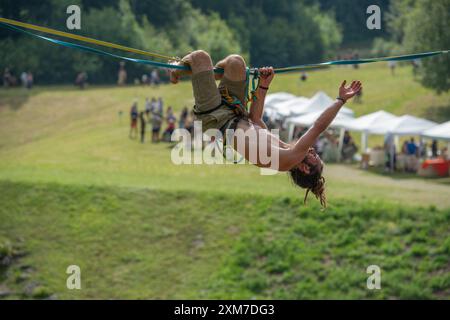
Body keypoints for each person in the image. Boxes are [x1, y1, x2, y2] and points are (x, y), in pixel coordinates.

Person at [169, 51, 362, 207]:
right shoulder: (283, 151)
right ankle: (210, 73)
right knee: (236, 62)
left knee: (200, 57)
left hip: (216, 118)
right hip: (235, 111)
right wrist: (263, 85)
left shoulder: (290, 159)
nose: (312, 150)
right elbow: (256, 119)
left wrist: (340, 100)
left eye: (314, 157)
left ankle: (178, 70)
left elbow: (318, 127)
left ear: (304, 167)